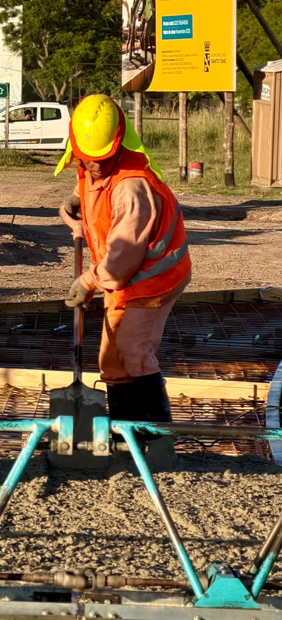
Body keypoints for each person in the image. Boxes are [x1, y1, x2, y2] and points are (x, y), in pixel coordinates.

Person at [56, 94, 191, 443]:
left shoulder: (132, 189)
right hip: (123, 277)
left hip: (152, 279)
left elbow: (120, 262)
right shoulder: (90, 164)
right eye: (87, 159)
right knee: (112, 360)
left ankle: (155, 438)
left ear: (118, 142)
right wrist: (77, 200)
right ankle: (122, 433)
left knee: (134, 351)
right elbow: (94, 186)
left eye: (101, 159)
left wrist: (88, 281)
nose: (94, 166)